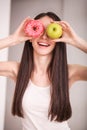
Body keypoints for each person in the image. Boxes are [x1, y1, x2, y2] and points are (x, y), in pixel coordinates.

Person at [0, 12, 87, 130]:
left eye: (50, 31)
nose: (44, 37)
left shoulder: (70, 72)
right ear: (30, 38)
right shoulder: (17, 70)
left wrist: (76, 41)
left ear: (59, 39)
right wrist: (13, 39)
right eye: (39, 30)